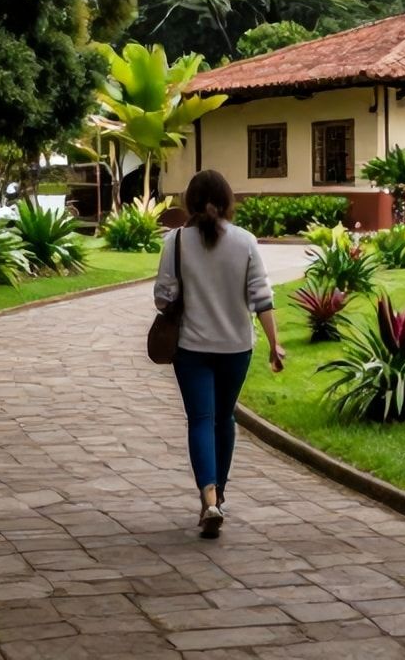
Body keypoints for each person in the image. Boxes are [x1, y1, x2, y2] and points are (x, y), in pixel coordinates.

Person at [153, 169, 286, 539]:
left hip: (191, 349)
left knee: (200, 419)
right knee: (223, 419)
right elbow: (263, 297)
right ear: (228, 201)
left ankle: (208, 497)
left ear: (189, 203)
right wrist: (275, 344)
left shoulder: (175, 242)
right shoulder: (245, 241)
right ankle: (221, 496)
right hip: (236, 348)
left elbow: (163, 298)